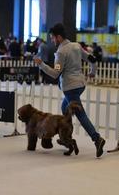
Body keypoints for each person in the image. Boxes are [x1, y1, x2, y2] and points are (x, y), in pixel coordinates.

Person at [34, 23, 106, 158]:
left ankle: (97, 139)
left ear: (59, 37)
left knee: (80, 114)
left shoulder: (60, 52)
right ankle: (66, 136)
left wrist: (41, 64)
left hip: (70, 87)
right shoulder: (76, 46)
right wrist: (92, 72)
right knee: (65, 108)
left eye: (53, 38)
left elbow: (55, 74)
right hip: (80, 84)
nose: (52, 41)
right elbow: (92, 59)